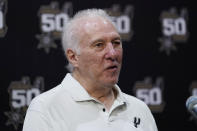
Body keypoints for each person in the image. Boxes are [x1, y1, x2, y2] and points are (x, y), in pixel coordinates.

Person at [23, 9, 158, 131]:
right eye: (99, 45)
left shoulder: (140, 109)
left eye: (116, 43)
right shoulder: (45, 109)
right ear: (73, 57)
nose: (112, 53)